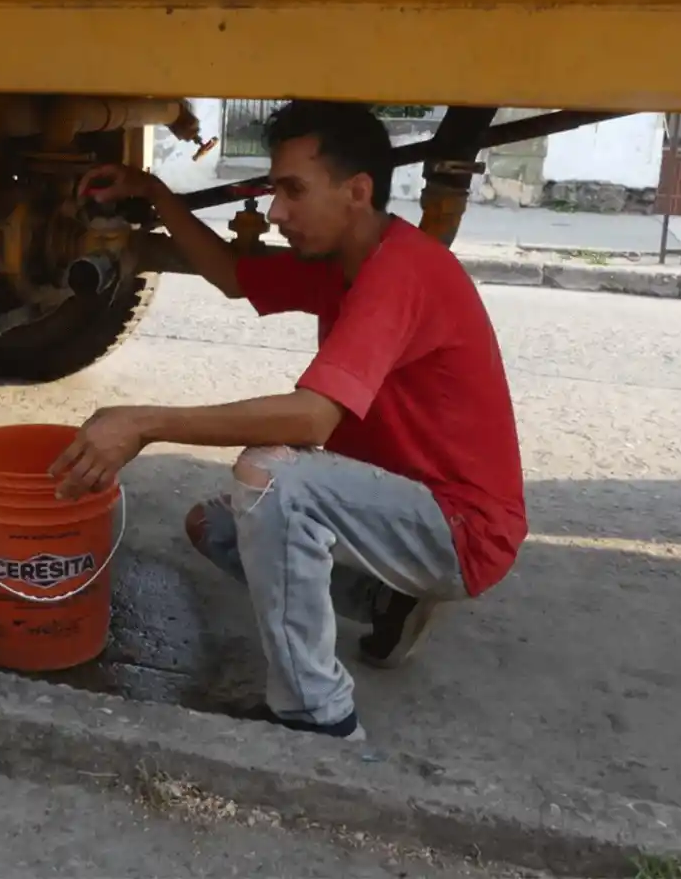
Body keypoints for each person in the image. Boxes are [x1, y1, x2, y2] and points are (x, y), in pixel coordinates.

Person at [49, 99, 528, 742]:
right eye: (276, 190)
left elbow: (311, 419)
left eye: (293, 190)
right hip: (408, 503)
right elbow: (231, 274)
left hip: (462, 529)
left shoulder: (399, 273)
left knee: (271, 478)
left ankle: (317, 715)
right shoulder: (347, 261)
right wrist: (155, 191)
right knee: (215, 527)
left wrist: (143, 422)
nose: (275, 212)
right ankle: (389, 602)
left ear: (357, 191)